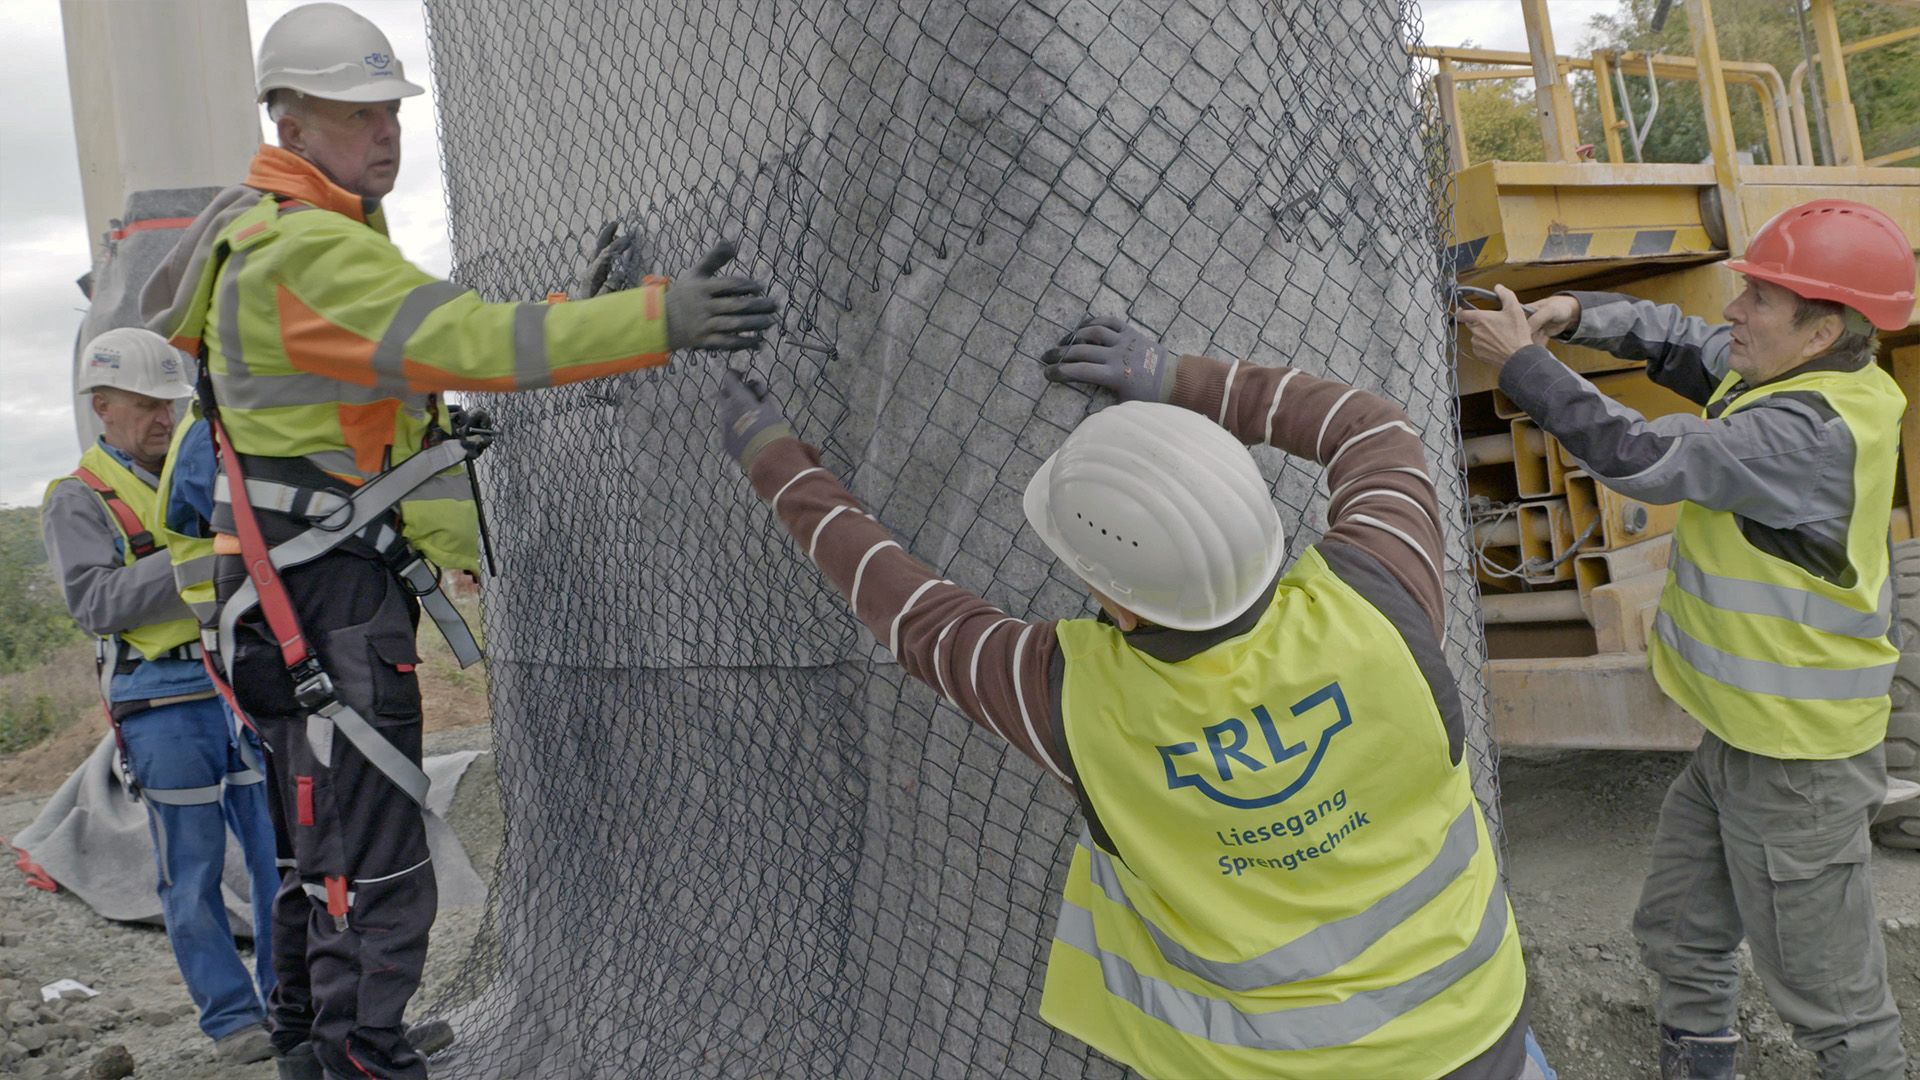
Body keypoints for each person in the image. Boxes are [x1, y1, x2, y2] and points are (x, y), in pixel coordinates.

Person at [141, 6, 778, 1078]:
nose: (383, 134)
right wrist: (658, 318)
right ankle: (360, 1059)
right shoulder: (309, 254)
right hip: (322, 610)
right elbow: (473, 344)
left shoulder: (283, 242)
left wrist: (584, 313)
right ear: (290, 124)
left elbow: (424, 382)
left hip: (294, 602)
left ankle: (324, 1045)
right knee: (375, 864)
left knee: (326, 847)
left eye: (389, 110)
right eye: (355, 115)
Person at [715, 317, 1555, 1079]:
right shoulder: (1382, 594)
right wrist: (1177, 377)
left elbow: (917, 616)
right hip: (1482, 1032)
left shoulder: (1079, 701)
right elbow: (1373, 427)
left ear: (1114, 598)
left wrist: (777, 462)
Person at [1457, 198, 1914, 1080]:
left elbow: (1638, 455)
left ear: (1821, 332)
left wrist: (1525, 365)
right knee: (1679, 932)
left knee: (1833, 1005)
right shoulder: (1795, 376)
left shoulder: (1800, 432)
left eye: (1759, 301)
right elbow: (1676, 340)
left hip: (1798, 765)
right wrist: (1579, 314)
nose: (1733, 311)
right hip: (1744, 738)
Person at [39, 328, 280, 1066]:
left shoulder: (200, 471)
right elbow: (97, 602)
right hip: (161, 701)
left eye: (168, 404)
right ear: (102, 406)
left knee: (278, 860)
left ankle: (290, 999)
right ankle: (233, 1018)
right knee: (193, 868)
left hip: (233, 685)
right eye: (144, 405)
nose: (160, 419)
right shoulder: (77, 500)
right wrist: (201, 559)